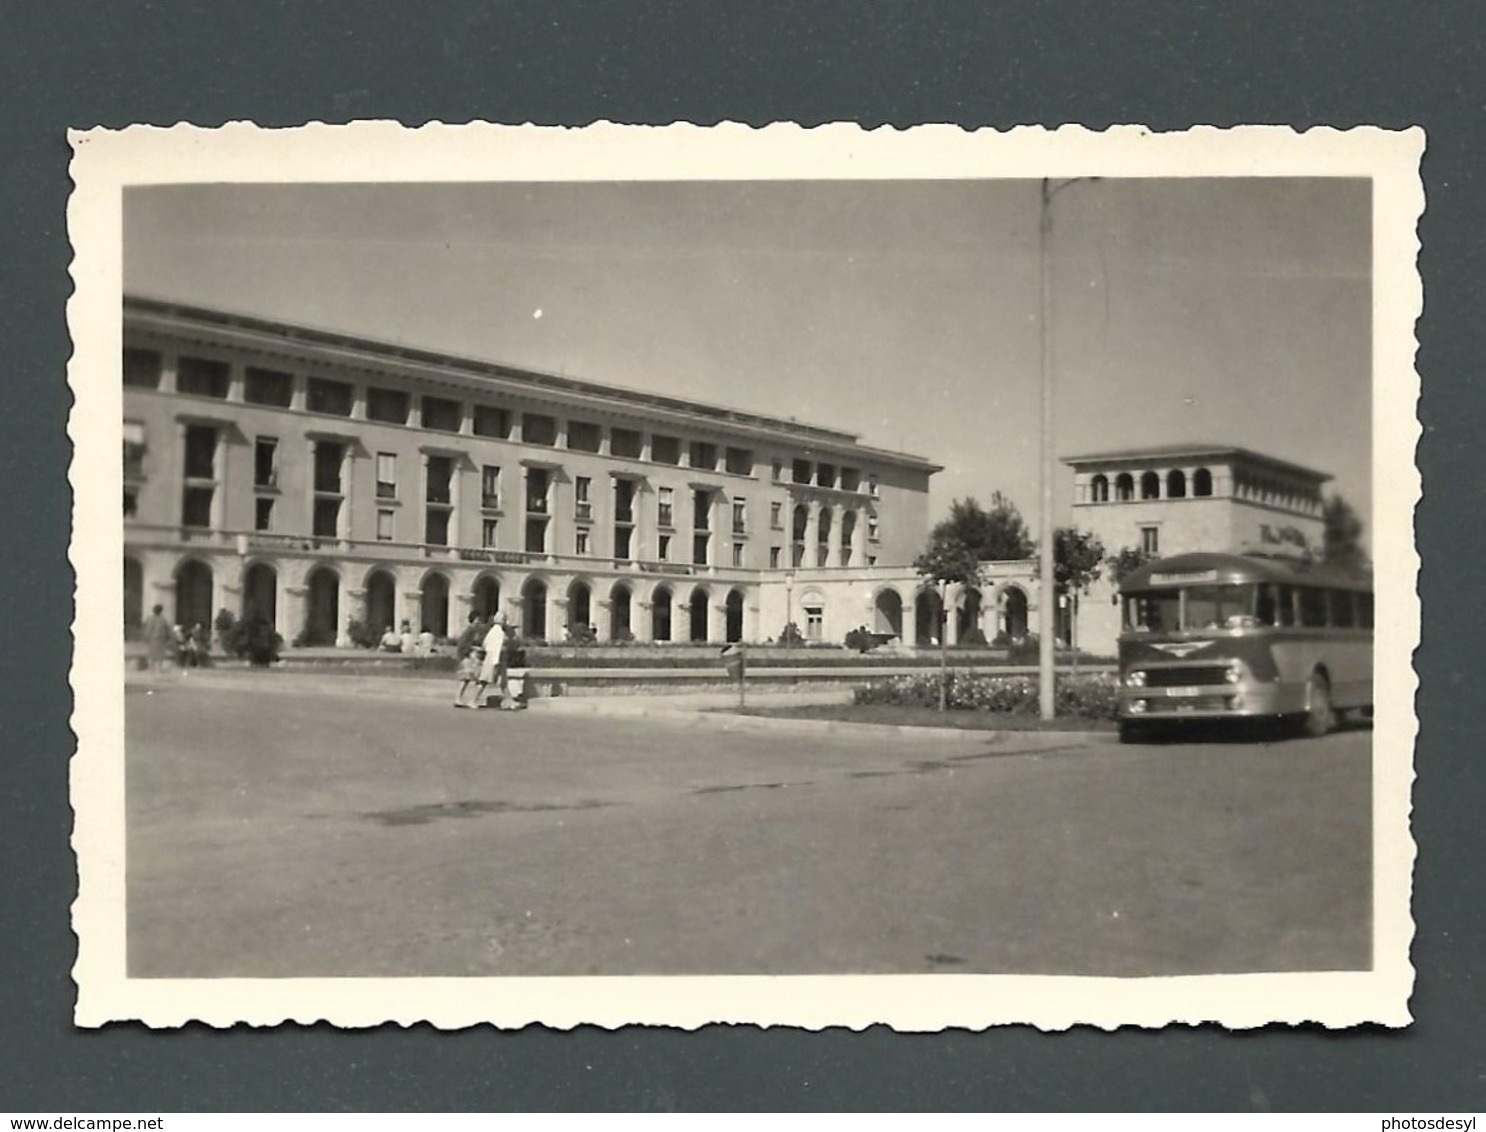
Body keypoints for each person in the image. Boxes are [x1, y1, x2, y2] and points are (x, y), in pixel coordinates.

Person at [471, 612, 510, 710]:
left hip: (491, 656)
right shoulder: (499, 632)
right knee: (485, 680)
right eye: (505, 619)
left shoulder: (493, 630)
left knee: (502, 681)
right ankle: (473, 700)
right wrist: (496, 662)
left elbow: (485, 643)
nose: (506, 621)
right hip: (495, 658)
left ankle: (510, 701)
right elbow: (497, 647)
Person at [452, 610, 488, 708]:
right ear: (473, 620)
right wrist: (474, 649)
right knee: (474, 678)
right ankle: (471, 700)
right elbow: (464, 644)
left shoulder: (472, 630)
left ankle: (459, 698)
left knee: (466, 679)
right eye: (478, 619)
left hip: (467, 656)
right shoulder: (470, 630)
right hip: (468, 657)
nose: (479, 621)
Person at [142, 604, 173, 673]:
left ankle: (151, 668)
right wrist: (168, 638)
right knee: (159, 655)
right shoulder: (163, 619)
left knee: (152, 654)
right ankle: (158, 669)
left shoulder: (150, 619)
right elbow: (167, 629)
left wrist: (146, 637)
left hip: (153, 639)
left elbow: (148, 629)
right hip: (161, 639)